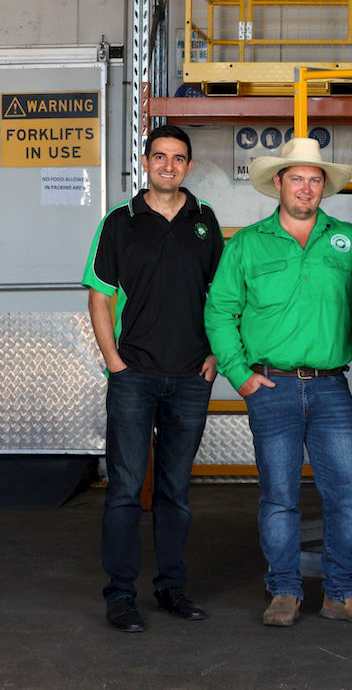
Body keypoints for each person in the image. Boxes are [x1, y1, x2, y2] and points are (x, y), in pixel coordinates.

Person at [204, 138, 352, 628]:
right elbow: (219, 311)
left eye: (315, 179)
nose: (306, 187)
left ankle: (341, 594)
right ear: (277, 183)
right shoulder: (246, 243)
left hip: (330, 387)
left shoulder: (350, 240)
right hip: (271, 386)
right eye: (296, 178)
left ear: (324, 187)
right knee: (279, 495)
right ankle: (283, 590)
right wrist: (239, 375)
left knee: (347, 492)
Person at [82, 124, 223, 632]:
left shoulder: (205, 221)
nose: (168, 165)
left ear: (189, 165)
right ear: (146, 161)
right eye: (159, 156)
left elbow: (222, 299)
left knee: (176, 491)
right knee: (123, 488)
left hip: (191, 376)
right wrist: (114, 362)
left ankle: (171, 589)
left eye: (178, 158)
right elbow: (99, 297)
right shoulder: (119, 222)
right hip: (134, 376)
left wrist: (216, 357)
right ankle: (120, 595)